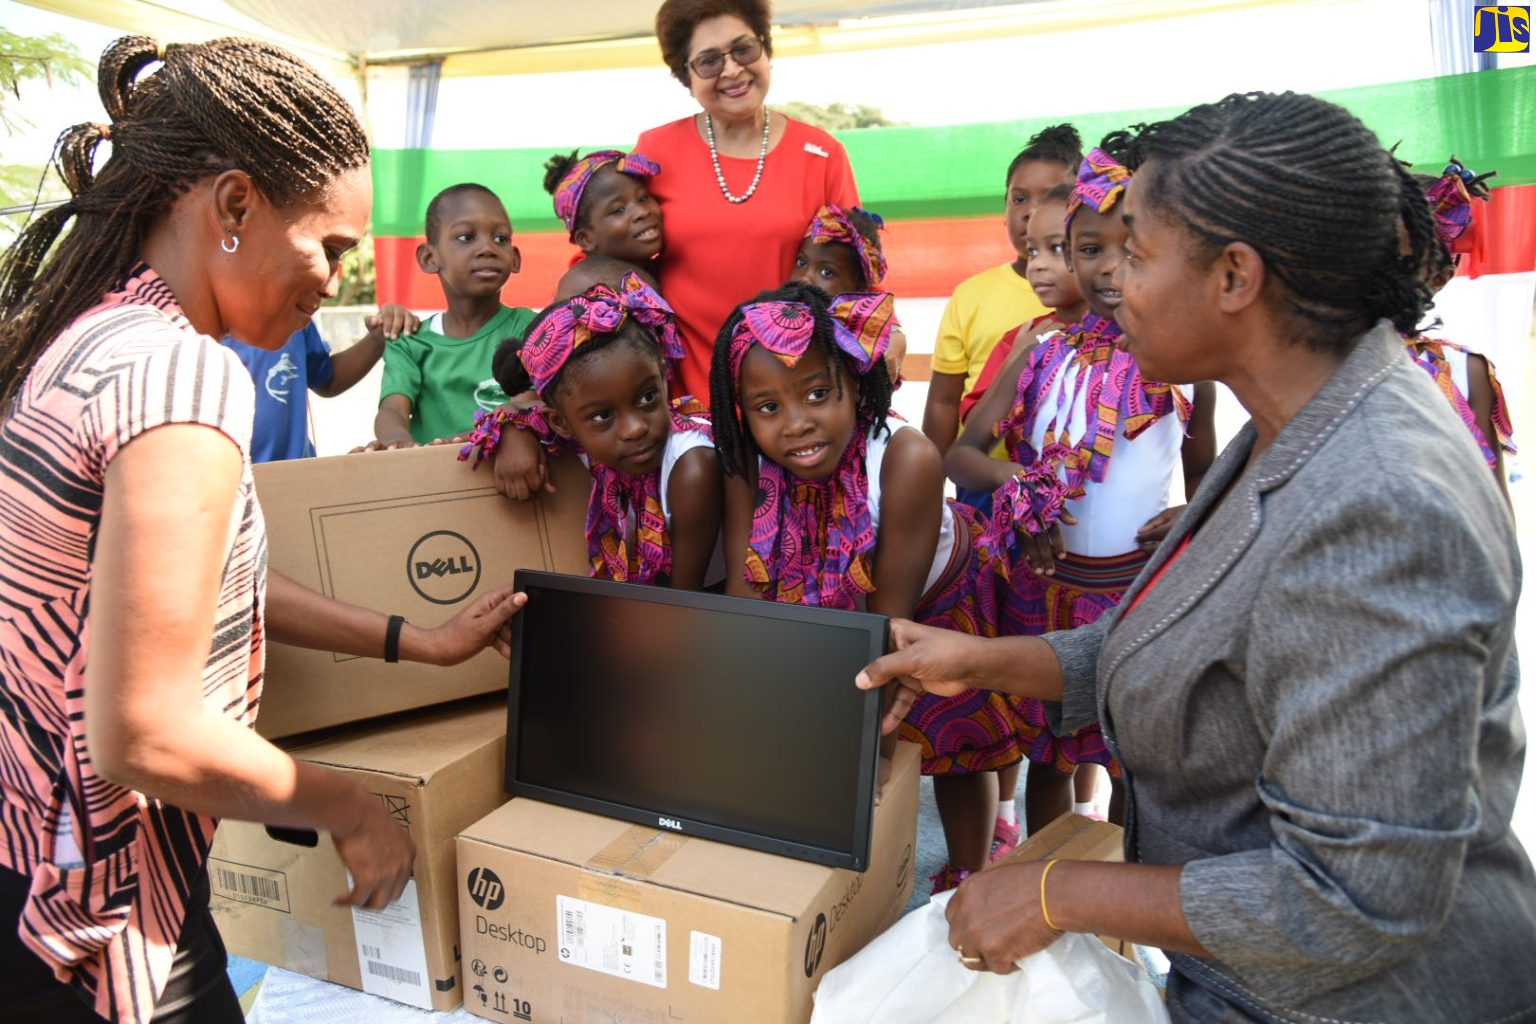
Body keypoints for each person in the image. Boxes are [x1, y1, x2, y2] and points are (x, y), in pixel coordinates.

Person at [857, 91, 1534, 1023]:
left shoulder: (1382, 505)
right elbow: (1194, 658)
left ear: (1234, 277)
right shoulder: (1295, 421)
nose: (1111, 282)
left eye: (1134, 252)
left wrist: (1056, 891)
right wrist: (976, 661)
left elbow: (1359, 901)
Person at [0, 37, 525, 1024]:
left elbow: (178, 591)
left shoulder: (88, 333)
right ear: (234, 206)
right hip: (88, 912)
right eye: (330, 247)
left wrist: (415, 641)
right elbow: (145, 731)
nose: (335, 280)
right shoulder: (179, 377)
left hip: (28, 854)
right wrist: (352, 808)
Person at [710, 282, 1020, 893]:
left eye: (819, 394)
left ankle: (970, 874)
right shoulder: (745, 461)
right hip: (833, 595)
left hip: (933, 600)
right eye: (768, 407)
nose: (798, 425)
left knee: (960, 742)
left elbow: (889, 630)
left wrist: (866, 762)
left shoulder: (907, 459)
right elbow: (751, 597)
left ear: (857, 382)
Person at [948, 142, 1216, 834]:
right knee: (1051, 757)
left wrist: (1194, 511)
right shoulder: (1037, 349)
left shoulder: (1185, 358)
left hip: (1135, 588)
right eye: (1088, 249)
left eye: (1128, 249)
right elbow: (963, 454)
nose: (1107, 268)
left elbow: (1215, 471)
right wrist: (1020, 488)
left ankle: (1122, 916)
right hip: (1044, 581)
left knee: (1131, 759)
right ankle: (1043, 893)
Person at [638, 0, 860, 406]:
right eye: (708, 61)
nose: (732, 70)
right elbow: (611, 254)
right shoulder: (655, 151)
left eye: (744, 49)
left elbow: (857, 269)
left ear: (766, 49)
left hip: (796, 399)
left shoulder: (823, 153)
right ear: (685, 75)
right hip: (691, 402)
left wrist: (889, 333)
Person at [465, 276, 723, 589]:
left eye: (648, 397)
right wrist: (512, 432)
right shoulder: (576, 431)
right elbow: (516, 414)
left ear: (663, 377)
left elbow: (686, 598)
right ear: (561, 423)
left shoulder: (692, 465)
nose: (635, 428)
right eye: (603, 416)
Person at [921, 124, 1081, 463]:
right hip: (982, 486)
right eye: (1019, 198)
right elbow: (943, 401)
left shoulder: (1104, 311)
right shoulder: (971, 295)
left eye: (1049, 197)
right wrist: (931, 484)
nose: (1029, 212)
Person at [374, 183, 535, 446]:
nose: (487, 248)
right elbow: (392, 411)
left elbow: (526, 407)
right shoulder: (410, 341)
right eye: (466, 237)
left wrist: (474, 439)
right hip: (435, 479)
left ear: (514, 258)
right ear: (429, 258)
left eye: (500, 239)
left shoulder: (527, 328)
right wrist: (398, 444)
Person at [1404, 158, 1514, 501]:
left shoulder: (1466, 373)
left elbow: (1494, 509)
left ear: (1439, 278)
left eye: (1400, 260)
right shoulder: (1316, 359)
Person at [957, 183, 1086, 425]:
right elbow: (975, 428)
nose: (1037, 265)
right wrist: (1015, 361)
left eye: (1056, 248)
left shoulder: (1134, 340)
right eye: (1033, 251)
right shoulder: (1020, 340)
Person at [224, 305, 416, 462]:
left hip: (296, 476)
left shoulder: (296, 313)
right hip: (229, 489)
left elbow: (326, 379)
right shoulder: (201, 328)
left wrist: (378, 337)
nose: (330, 288)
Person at [787, 203, 907, 383]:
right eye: (801, 262)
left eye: (826, 272)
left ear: (859, 289)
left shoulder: (860, 344)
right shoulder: (780, 316)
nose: (805, 278)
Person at [543, 148, 664, 269]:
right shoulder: (593, 284)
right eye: (618, 210)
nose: (642, 212)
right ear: (586, 239)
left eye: (643, 198)